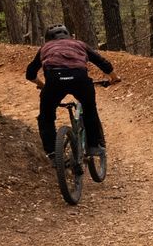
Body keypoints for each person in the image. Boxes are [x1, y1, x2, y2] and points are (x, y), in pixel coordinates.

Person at [26, 24, 118, 156]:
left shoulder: (44, 48)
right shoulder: (79, 44)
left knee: (46, 116)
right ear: (69, 35)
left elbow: (30, 73)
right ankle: (93, 146)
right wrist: (114, 77)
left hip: (54, 81)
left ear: (46, 39)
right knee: (89, 109)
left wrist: (41, 84)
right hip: (79, 79)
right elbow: (102, 62)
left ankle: (52, 152)